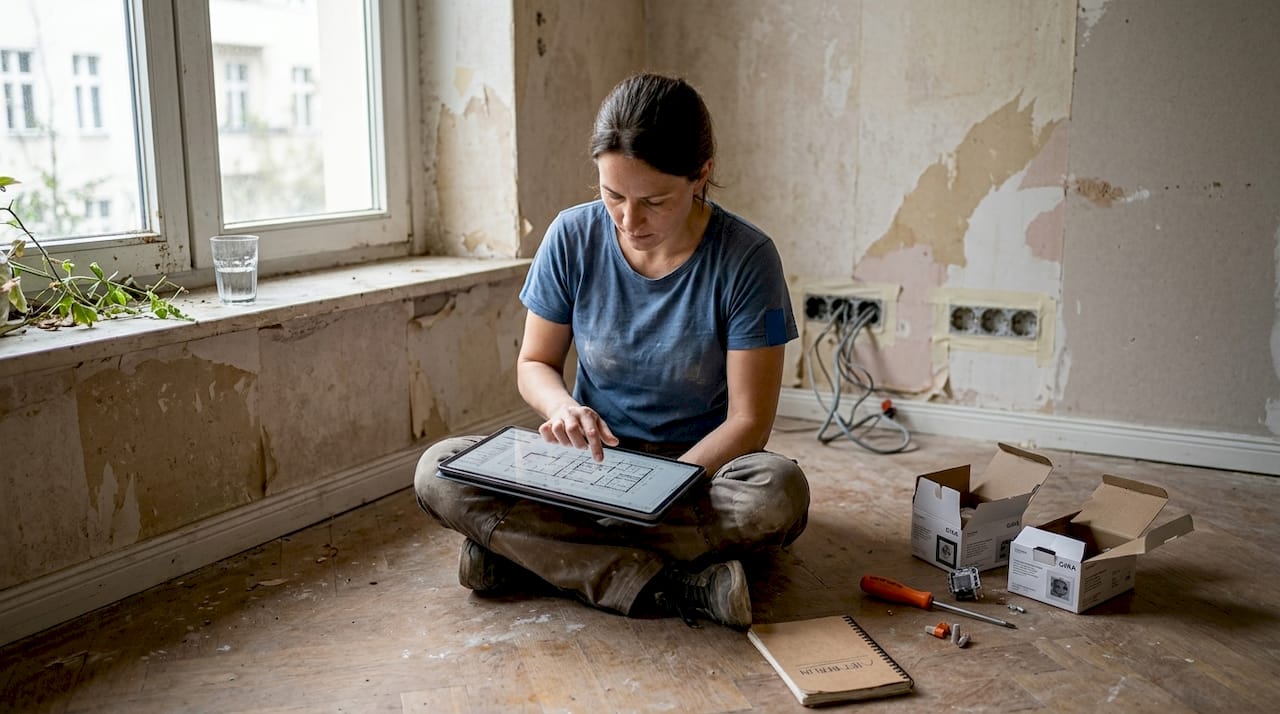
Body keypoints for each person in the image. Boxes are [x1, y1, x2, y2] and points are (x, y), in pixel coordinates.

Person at [413, 72, 810, 629]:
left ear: (701, 176)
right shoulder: (571, 235)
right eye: (612, 195)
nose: (629, 220)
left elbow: (749, 422)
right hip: (590, 467)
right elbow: (535, 364)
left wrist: (655, 491)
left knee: (776, 495)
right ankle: (671, 586)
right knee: (439, 471)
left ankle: (529, 558)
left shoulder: (746, 258)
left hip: (696, 474)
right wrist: (562, 409)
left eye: (654, 201)